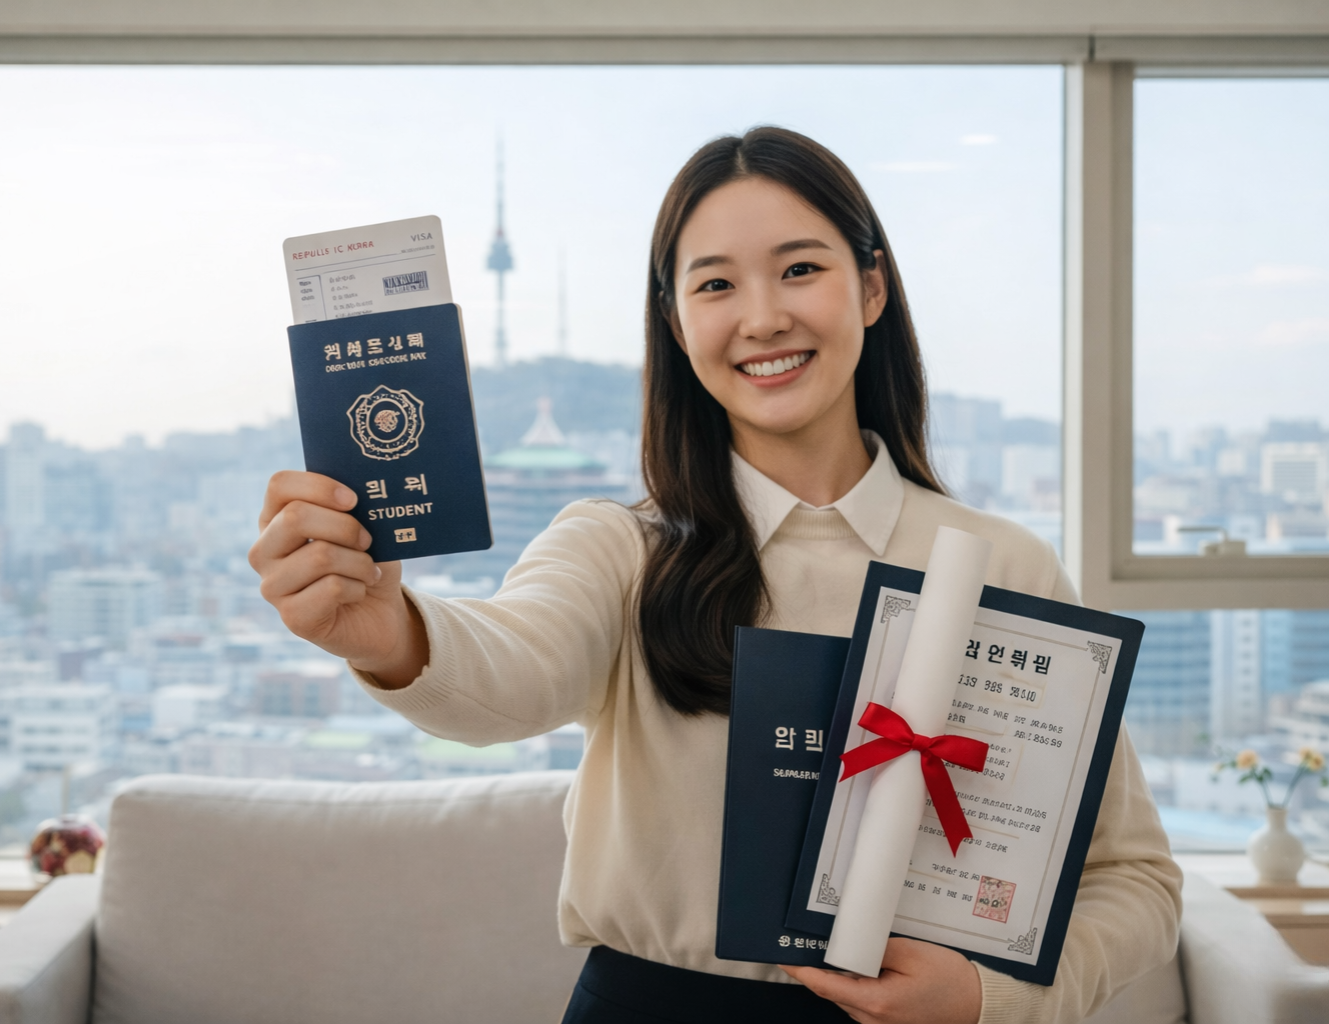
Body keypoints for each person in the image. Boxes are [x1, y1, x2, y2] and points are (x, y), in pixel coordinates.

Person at [249, 127, 1181, 1024]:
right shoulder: (622, 547)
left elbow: (1132, 878)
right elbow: (510, 671)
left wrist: (991, 1001)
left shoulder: (1004, 566)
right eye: (717, 284)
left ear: (870, 288)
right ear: (676, 320)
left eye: (801, 268)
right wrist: (387, 631)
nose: (763, 315)